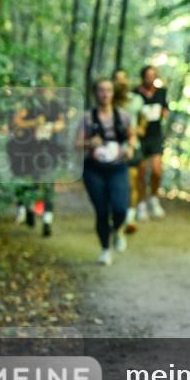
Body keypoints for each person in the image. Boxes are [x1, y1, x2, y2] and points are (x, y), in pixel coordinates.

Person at [77, 78, 135, 265]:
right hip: (94, 169)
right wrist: (89, 143)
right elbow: (75, 143)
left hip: (117, 168)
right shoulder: (86, 118)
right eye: (101, 90)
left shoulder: (123, 116)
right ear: (96, 93)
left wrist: (130, 148)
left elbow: (131, 137)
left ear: (113, 93)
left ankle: (117, 229)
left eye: (108, 90)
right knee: (102, 210)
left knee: (120, 208)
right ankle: (105, 249)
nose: (105, 94)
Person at [9, 77, 67, 237]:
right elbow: (17, 122)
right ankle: (28, 210)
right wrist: (34, 123)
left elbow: (62, 124)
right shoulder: (29, 104)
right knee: (31, 182)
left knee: (48, 184)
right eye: (42, 86)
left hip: (49, 150)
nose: (45, 89)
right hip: (29, 150)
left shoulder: (56, 104)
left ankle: (47, 220)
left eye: (49, 86)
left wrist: (53, 127)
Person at [133, 65, 169, 220]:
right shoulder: (135, 94)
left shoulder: (161, 92)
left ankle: (154, 198)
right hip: (140, 138)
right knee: (140, 172)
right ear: (143, 77)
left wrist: (162, 113)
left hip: (155, 136)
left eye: (153, 75)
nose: (150, 78)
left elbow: (166, 111)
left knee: (156, 170)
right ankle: (140, 204)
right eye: (148, 75)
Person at [113, 69, 146, 233]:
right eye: (117, 79)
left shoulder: (137, 100)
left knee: (132, 181)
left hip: (133, 146)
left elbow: (144, 118)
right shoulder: (108, 102)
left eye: (123, 78)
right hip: (112, 149)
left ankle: (130, 219)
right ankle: (116, 216)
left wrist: (139, 130)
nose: (121, 82)